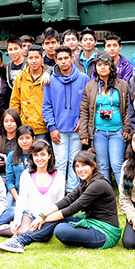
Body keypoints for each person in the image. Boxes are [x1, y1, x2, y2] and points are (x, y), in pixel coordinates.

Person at [21, 150, 122, 250]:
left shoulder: (98, 184)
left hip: (104, 233)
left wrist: (44, 219)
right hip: (90, 222)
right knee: (57, 219)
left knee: (61, 230)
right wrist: (42, 215)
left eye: (84, 165)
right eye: (77, 166)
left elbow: (74, 208)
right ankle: (22, 239)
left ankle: (22, 239)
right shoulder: (85, 182)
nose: (80, 169)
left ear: (93, 165)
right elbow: (68, 200)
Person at [0, 140, 64, 252]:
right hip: (30, 212)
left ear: (49, 155)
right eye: (36, 155)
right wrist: (17, 220)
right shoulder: (26, 174)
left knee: (43, 236)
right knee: (23, 231)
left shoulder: (59, 175)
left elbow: (61, 201)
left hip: (48, 216)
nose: (39, 158)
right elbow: (21, 200)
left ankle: (8, 229)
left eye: (43, 154)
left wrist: (46, 217)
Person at [79, 53, 130, 185]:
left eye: (106, 65)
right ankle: (105, 191)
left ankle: (123, 192)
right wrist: (83, 133)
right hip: (98, 131)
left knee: (117, 164)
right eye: (99, 65)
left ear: (111, 67)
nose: (102, 67)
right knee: (102, 164)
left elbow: (128, 109)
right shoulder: (90, 86)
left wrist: (127, 127)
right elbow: (84, 110)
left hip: (117, 131)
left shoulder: (123, 84)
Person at [43, 46, 89, 192]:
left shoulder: (83, 78)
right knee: (60, 163)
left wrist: (82, 121)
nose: (63, 61)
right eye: (60, 59)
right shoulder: (50, 80)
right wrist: (52, 127)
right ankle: (59, 193)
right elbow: (47, 106)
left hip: (76, 129)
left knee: (75, 162)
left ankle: (72, 192)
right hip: (58, 130)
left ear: (72, 58)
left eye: (66, 58)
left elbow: (88, 104)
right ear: (55, 60)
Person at [10, 44, 49, 140]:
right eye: (31, 58)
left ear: (42, 58)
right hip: (25, 126)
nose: (34, 61)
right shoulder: (20, 76)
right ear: (26, 59)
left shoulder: (48, 76)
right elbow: (15, 102)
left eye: (37, 57)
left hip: (43, 127)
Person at [4, 125, 35, 205]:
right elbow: (9, 181)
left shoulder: (38, 155)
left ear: (33, 139)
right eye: (21, 138)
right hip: (16, 193)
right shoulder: (11, 155)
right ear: (17, 141)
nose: (24, 141)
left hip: (35, 194)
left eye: (27, 138)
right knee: (7, 210)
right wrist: (18, 199)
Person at [0, 109, 21, 176]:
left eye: (12, 121)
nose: (9, 124)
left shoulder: (22, 140)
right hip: (2, 175)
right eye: (6, 121)